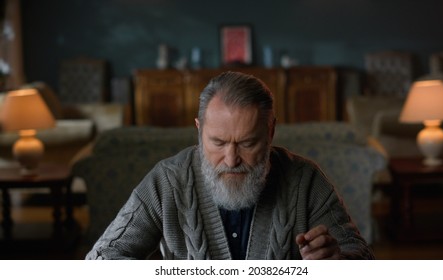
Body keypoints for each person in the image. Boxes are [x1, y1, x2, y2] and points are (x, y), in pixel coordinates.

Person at [86, 71, 374, 260]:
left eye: (247, 144)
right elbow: (100, 260)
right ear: (199, 131)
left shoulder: (306, 181)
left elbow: (361, 258)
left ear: (271, 132)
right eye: (218, 143)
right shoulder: (166, 181)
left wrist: (338, 261)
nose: (232, 159)